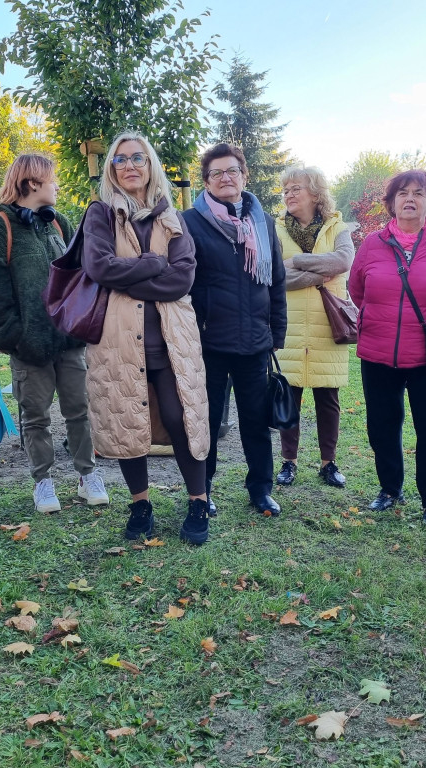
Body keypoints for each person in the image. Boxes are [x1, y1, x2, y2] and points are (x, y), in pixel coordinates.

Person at [81, 132, 211, 544]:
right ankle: (140, 504)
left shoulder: (172, 217)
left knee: (181, 419)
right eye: (120, 160)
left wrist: (129, 277)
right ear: (111, 169)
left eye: (138, 157)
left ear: (150, 164)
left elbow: (182, 279)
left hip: (173, 343)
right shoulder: (100, 214)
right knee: (128, 423)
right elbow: (99, 268)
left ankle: (198, 501)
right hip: (118, 342)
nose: (130, 165)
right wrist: (154, 264)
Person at [0, 154, 107, 514]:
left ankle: (87, 476)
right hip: (29, 347)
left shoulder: (59, 223)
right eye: (52, 180)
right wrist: (16, 338)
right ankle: (43, 481)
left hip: (69, 341)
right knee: (35, 416)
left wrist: (80, 323)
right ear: (32, 183)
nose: (56, 186)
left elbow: (81, 275)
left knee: (80, 410)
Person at [348, 170, 426, 522]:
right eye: (402, 193)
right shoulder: (371, 244)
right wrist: (380, 318)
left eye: (419, 193)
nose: (410, 199)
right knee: (382, 426)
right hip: (379, 351)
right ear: (391, 203)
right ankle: (390, 488)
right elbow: (357, 290)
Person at [181, 144, 287, 517]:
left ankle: (260, 489)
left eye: (232, 171)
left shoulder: (264, 222)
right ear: (206, 181)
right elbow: (183, 284)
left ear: (244, 175)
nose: (225, 178)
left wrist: (276, 333)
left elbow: (276, 281)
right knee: (207, 422)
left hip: (255, 342)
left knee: (256, 422)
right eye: (216, 173)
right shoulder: (189, 222)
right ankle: (203, 491)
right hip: (208, 342)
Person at [274, 166, 354, 489]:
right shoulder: (276, 229)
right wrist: (319, 271)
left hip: (327, 324)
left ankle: (328, 463)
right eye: (286, 190)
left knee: (328, 398)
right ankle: (288, 462)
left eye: (296, 188)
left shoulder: (338, 227)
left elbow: (343, 261)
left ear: (315, 193)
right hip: (289, 325)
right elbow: (275, 276)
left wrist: (296, 262)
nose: (289, 195)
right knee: (289, 397)